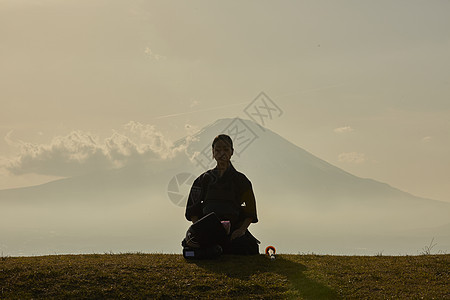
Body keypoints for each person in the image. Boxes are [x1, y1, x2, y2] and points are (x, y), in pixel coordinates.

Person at [183, 134, 259, 257]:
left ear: (232, 152)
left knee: (247, 247)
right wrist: (199, 230)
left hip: (233, 229)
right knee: (190, 247)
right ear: (212, 153)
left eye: (225, 149)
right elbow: (193, 210)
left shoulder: (241, 180)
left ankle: (216, 250)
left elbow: (250, 211)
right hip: (208, 228)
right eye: (217, 150)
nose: (221, 153)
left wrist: (241, 230)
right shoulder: (202, 180)